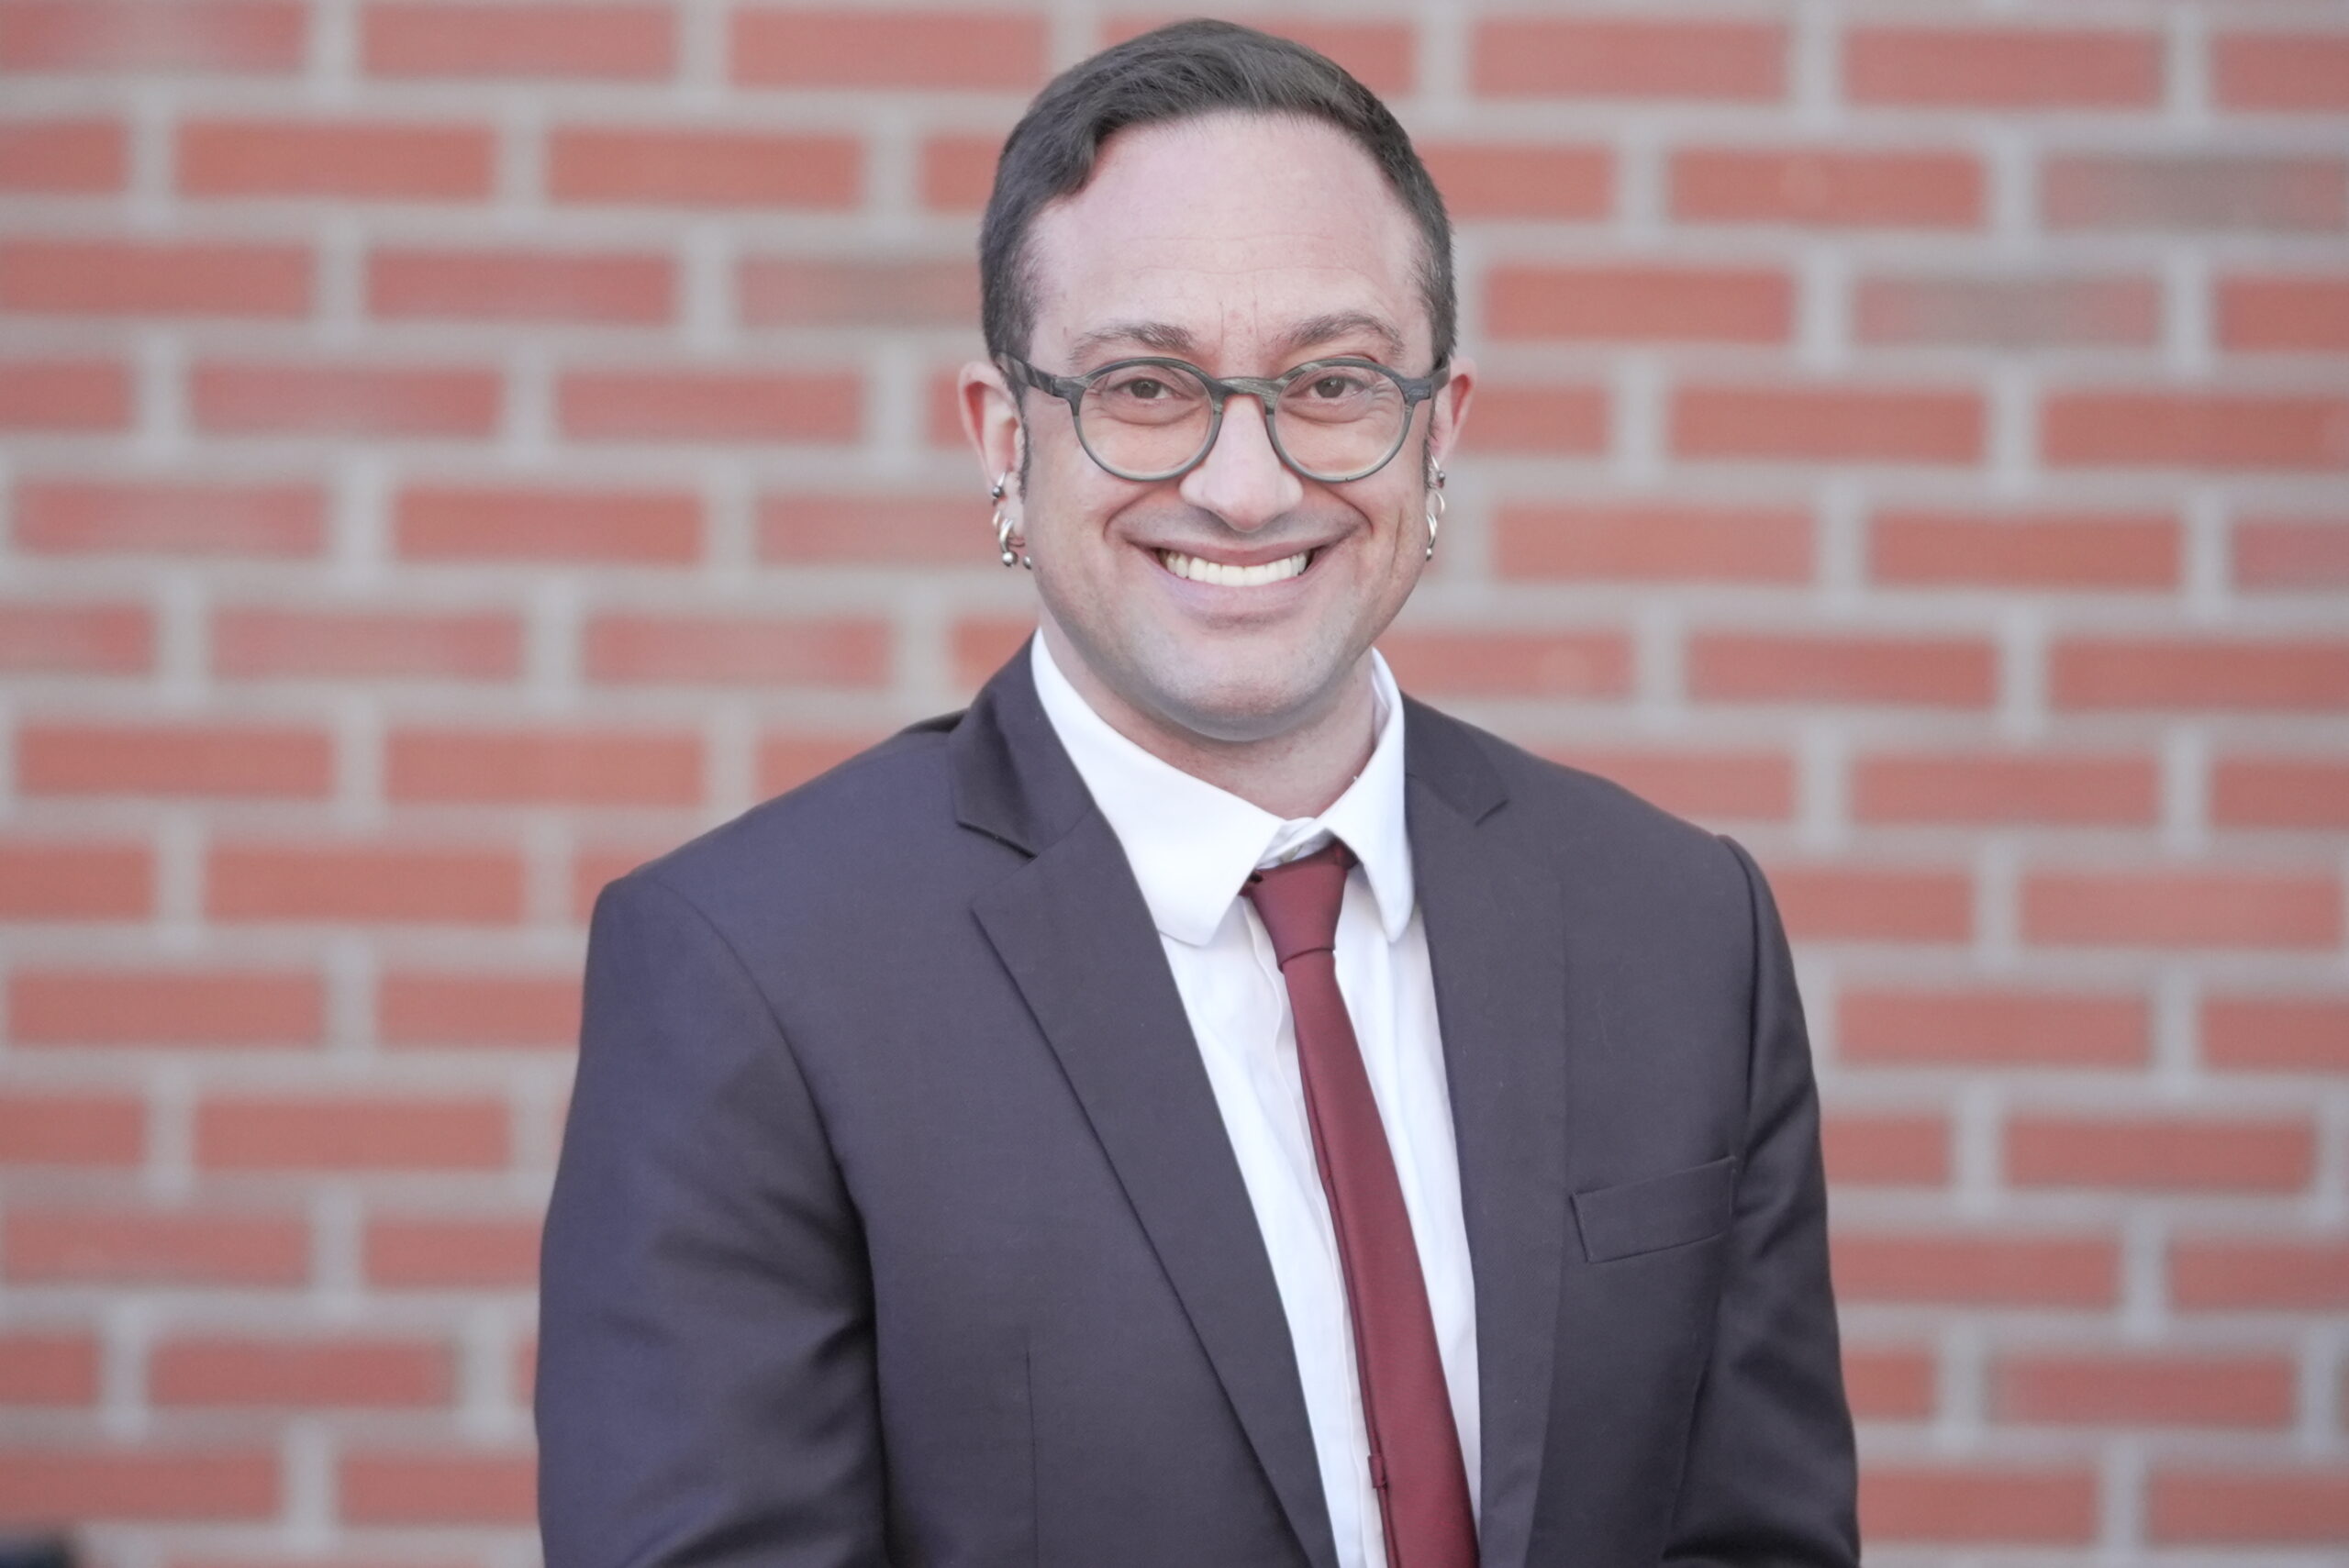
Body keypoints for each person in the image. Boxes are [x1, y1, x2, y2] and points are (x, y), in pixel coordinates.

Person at [537, 19, 1857, 1568]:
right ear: (1002, 438)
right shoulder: (754, 972)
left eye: (1334, 378)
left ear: (1442, 430)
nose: (1247, 480)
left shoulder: (1680, 928)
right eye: (1148, 385)